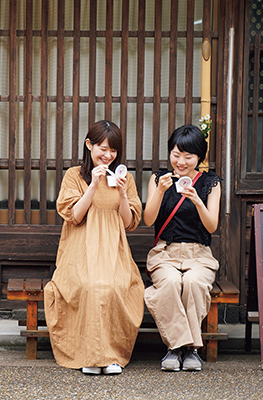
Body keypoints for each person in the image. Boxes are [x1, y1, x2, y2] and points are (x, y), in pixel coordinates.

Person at [44, 120, 144, 375]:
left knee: (114, 287)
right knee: (89, 287)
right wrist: (93, 185)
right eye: (103, 148)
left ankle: (110, 356)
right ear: (89, 145)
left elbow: (128, 222)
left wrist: (122, 194)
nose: (108, 155)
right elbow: (75, 215)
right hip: (80, 250)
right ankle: (89, 354)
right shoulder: (74, 175)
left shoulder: (125, 178)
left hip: (114, 249)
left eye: (113, 151)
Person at [142, 124, 222, 372]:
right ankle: (184, 349)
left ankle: (182, 350)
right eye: (176, 154)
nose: (181, 161)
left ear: (199, 157)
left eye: (188, 156)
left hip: (199, 255)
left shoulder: (211, 182)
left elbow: (211, 227)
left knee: (194, 283)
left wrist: (197, 200)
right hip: (165, 253)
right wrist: (160, 192)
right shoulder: (159, 179)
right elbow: (148, 220)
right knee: (169, 283)